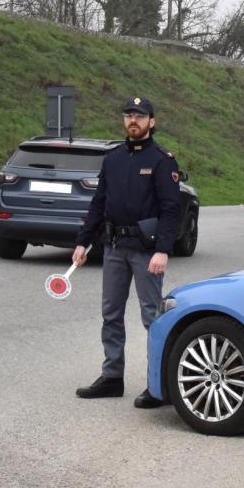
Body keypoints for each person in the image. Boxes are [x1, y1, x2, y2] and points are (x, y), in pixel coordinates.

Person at [72, 97, 182, 409]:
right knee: (111, 315)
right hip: (114, 248)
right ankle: (111, 377)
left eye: (140, 115)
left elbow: (171, 209)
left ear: (152, 121)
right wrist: (83, 241)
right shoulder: (114, 158)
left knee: (152, 318)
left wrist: (163, 249)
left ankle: (157, 387)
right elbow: (98, 203)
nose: (133, 120)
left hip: (146, 252)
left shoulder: (162, 160)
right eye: (129, 115)